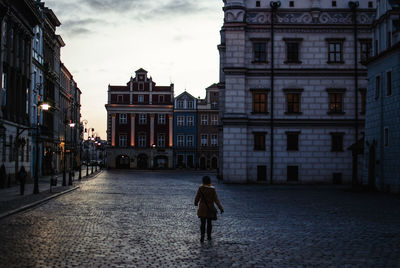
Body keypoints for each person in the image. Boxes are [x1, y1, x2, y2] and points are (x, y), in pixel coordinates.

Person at [194, 176, 224, 242]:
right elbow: (216, 200)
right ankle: (209, 236)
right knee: (209, 223)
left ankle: (202, 236)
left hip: (202, 208)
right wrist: (221, 208)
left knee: (202, 223)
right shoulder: (212, 189)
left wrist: (196, 203)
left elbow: (197, 197)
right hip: (210, 208)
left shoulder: (200, 188)